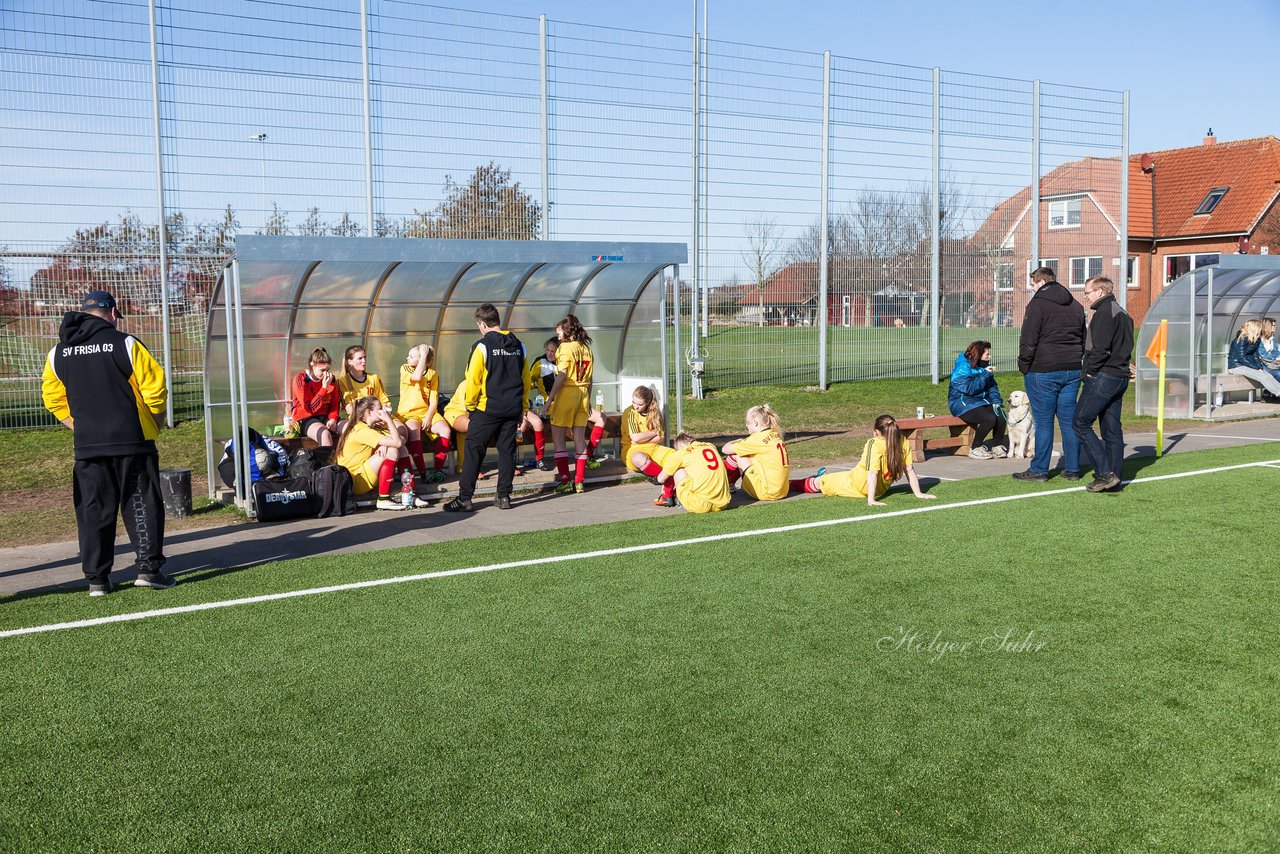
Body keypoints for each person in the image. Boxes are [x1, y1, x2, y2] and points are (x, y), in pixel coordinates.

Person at [40, 289, 175, 596]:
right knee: (141, 503)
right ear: (113, 314)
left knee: (93, 509)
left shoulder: (58, 352)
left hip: (88, 444)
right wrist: (154, 422)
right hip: (132, 440)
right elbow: (156, 388)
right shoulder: (125, 343)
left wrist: (79, 427)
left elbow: (52, 399)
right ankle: (148, 570)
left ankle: (97, 579)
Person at [444, 304, 530, 513]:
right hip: (512, 408)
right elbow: (525, 380)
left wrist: (471, 407)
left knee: (474, 450)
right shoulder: (520, 346)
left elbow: (473, 379)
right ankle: (504, 496)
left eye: (479, 326)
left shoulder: (481, 346)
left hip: (486, 408)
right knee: (507, 452)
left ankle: (465, 498)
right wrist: (523, 407)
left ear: (482, 324)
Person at [1014, 266, 1085, 483]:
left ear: (1041, 282)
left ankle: (1039, 469)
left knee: (1044, 422)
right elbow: (1083, 337)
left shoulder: (1037, 304)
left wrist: (1024, 365)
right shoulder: (1076, 305)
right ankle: (1073, 468)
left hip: (1043, 369)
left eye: (1033, 284)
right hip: (1072, 368)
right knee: (1067, 420)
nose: (1032, 288)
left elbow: (1028, 338)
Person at [789, 414, 937, 507]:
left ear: (877, 431)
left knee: (819, 483)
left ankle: (789, 484)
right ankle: (820, 475)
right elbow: (909, 469)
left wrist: (870, 499)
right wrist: (918, 493)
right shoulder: (903, 440)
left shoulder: (874, 443)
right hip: (879, 488)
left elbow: (872, 473)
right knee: (827, 478)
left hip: (856, 485)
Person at [1073, 276, 1134, 494]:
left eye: (1087, 291)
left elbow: (1100, 349)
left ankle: (1105, 473)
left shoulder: (1105, 313)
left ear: (1100, 291)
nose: (1085, 295)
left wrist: (1089, 372)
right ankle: (1115, 477)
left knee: (1080, 423)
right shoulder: (1122, 311)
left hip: (1104, 376)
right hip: (1120, 376)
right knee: (1111, 429)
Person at [334, 396, 425, 511]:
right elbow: (396, 442)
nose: (384, 410)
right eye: (380, 408)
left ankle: (410, 494)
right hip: (355, 480)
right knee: (392, 450)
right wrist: (388, 420)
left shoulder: (373, 427)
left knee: (402, 449)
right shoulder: (362, 430)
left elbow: (401, 440)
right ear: (369, 412)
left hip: (362, 472)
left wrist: (385, 443)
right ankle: (383, 499)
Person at [546, 314, 594, 494]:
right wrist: (588, 400)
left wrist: (550, 399)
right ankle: (580, 481)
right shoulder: (586, 348)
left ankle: (565, 480)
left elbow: (562, 376)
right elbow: (590, 379)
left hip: (567, 394)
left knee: (559, 440)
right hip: (583, 395)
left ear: (566, 332)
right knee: (579, 439)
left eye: (559, 333)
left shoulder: (565, 348)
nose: (558, 337)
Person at [948, 340, 1007, 459]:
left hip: (980, 401)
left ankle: (997, 446)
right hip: (962, 401)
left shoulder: (984, 366)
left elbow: (992, 386)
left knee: (1000, 415)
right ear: (978, 354)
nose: (990, 356)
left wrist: (996, 401)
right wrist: (985, 374)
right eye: (987, 354)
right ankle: (975, 448)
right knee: (989, 418)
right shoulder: (963, 367)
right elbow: (969, 389)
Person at [396, 343, 445, 483]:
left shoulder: (433, 374)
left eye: (411, 356)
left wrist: (429, 417)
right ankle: (423, 473)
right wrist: (422, 355)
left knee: (445, 430)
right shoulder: (405, 368)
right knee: (413, 431)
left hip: (426, 411)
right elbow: (416, 377)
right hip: (408, 412)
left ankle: (438, 470)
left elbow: (434, 401)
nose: (407, 358)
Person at [620, 385, 675, 506]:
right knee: (639, 458)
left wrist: (644, 438)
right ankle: (669, 482)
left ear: (648, 403)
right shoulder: (630, 412)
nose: (635, 406)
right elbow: (635, 438)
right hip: (631, 450)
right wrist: (654, 432)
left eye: (639, 404)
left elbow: (661, 437)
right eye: (634, 402)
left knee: (675, 456)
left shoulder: (654, 412)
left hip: (653, 447)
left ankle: (672, 494)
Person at [721, 404, 790, 501]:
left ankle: (725, 485)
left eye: (748, 422)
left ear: (756, 423)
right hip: (783, 491)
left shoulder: (756, 439)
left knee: (736, 453)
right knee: (745, 452)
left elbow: (725, 449)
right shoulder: (775, 434)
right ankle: (729, 484)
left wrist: (738, 440)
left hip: (767, 492)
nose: (746, 425)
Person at [655, 432, 731, 514]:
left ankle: (678, 500)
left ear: (679, 446)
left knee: (678, 470)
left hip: (699, 505)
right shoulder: (710, 446)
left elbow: (660, 479)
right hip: (722, 503)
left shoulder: (680, 453)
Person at [290, 347, 340, 447]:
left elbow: (335, 403)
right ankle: (326, 462)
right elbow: (310, 408)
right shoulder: (300, 379)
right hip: (304, 418)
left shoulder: (331, 379)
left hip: (324, 416)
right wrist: (324, 387)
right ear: (312, 364)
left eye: (328, 370)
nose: (326, 373)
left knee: (349, 428)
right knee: (324, 433)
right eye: (322, 370)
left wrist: (333, 419)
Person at [1227, 318, 1280, 397]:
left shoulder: (1256, 339)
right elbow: (1241, 358)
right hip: (1236, 366)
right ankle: (1278, 393)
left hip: (1247, 365)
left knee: (1268, 375)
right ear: (1254, 329)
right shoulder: (1241, 339)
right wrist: (1256, 368)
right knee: (1262, 376)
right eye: (1259, 328)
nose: (1261, 330)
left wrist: (1259, 367)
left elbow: (1255, 355)